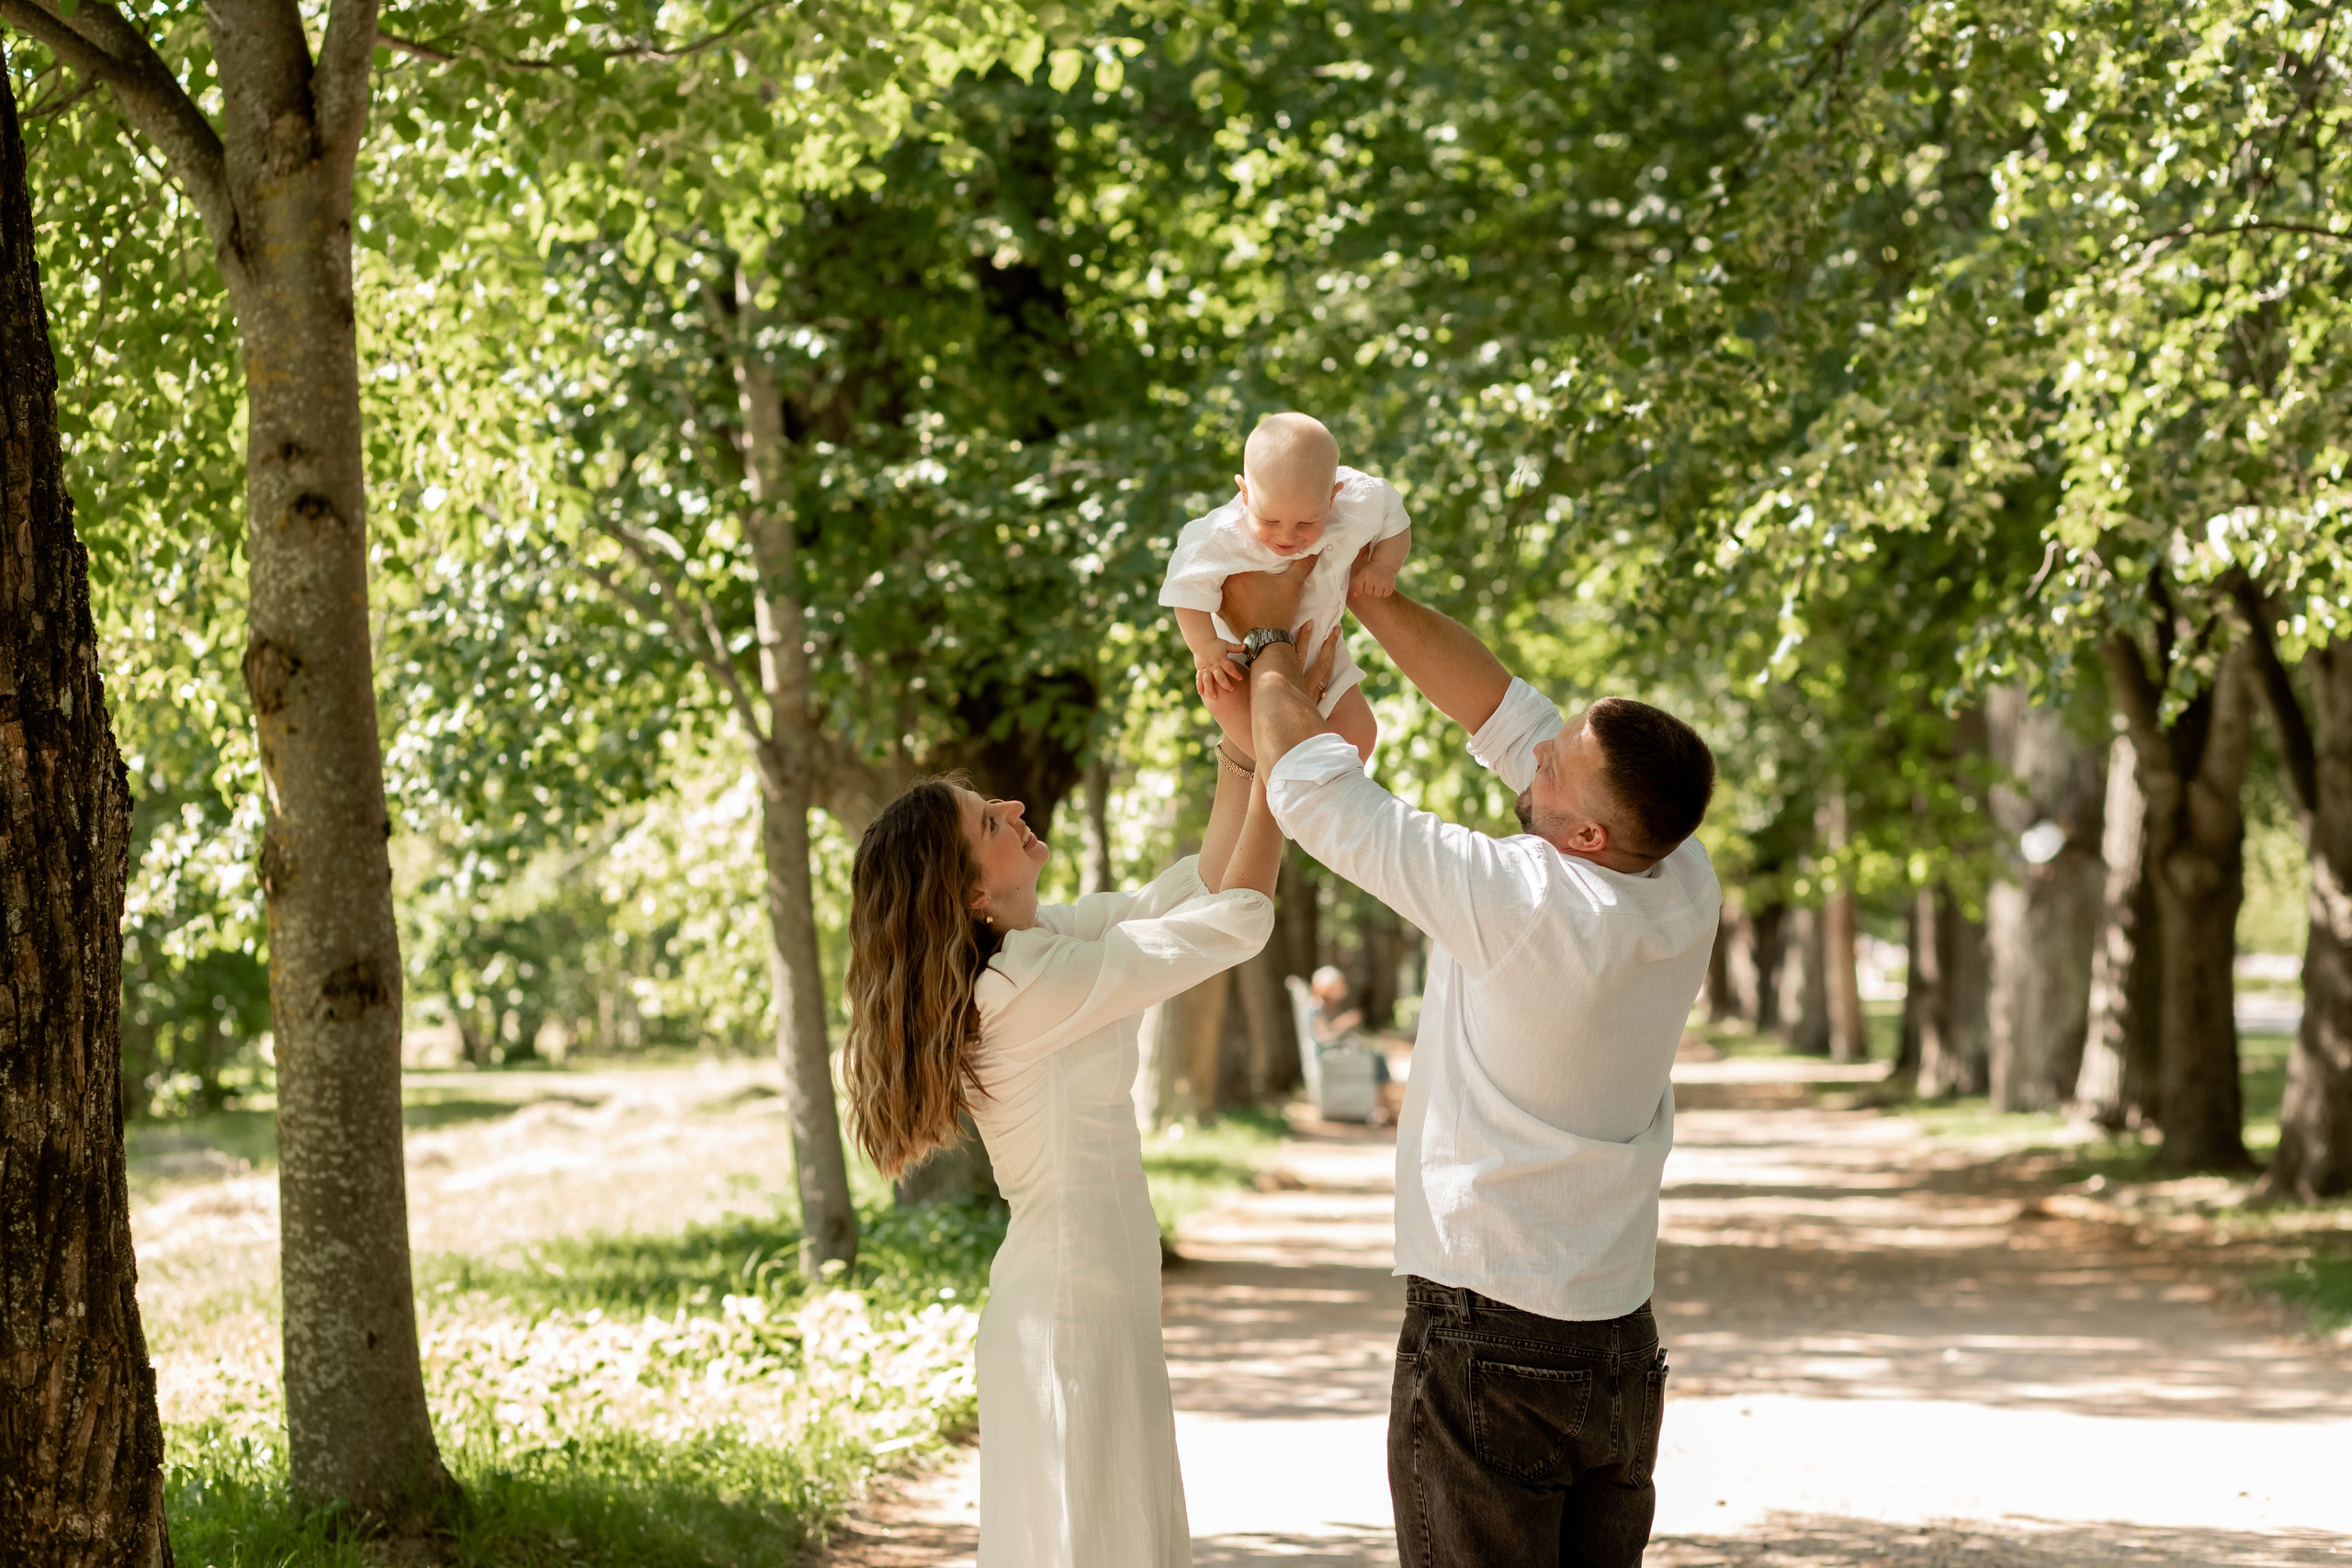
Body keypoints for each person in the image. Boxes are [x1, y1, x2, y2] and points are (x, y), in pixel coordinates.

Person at [1219, 564, 1721, 1568]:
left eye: (1554, 770)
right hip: (1614, 1338)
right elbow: (1502, 711)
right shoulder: (1679, 880)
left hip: (1486, 1333)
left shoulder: (1521, 899)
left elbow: (1321, 798)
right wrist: (1371, 600)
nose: (1533, 755)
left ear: (1584, 835)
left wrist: (1269, 643)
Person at [838, 631, 1339, 1568]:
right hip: (1069, 1301)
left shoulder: (1038, 950)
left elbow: (1193, 890)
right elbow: (1236, 922)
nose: (1014, 807)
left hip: (1089, 1289)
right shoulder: (1025, 987)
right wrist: (1283, 758)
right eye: (989, 821)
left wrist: (1240, 754)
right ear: (970, 891)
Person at [1159, 412, 1411, 761]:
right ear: (1245, 494)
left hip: (1322, 651)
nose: (1287, 536)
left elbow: (1395, 518)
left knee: (1362, 737)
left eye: (1307, 522)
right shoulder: (1219, 536)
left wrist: (1385, 564)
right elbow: (1184, 586)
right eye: (1270, 520)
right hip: (1240, 657)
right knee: (1219, 689)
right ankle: (1280, 766)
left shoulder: (1357, 501)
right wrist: (1204, 647)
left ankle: (1314, 780)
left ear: (1332, 498)